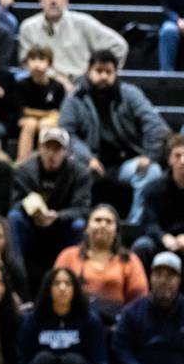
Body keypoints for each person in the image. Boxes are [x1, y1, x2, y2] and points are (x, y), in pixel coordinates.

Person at [59, 50, 170, 221]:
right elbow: (66, 133)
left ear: (116, 73)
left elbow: (155, 125)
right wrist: (87, 158)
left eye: (108, 72)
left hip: (127, 162)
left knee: (152, 171)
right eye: (99, 71)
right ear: (88, 71)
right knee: (71, 167)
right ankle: (83, 225)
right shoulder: (75, 98)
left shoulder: (130, 94)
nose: (103, 76)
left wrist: (149, 155)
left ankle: (134, 226)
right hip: (91, 162)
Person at [9, 127, 91, 285]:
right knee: (14, 218)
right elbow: (15, 203)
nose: (51, 154)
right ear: (40, 149)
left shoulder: (79, 173)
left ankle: (73, 282)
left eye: (57, 149)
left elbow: (83, 209)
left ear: (66, 152)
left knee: (79, 225)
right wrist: (33, 212)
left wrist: (57, 216)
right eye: (47, 148)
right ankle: (17, 279)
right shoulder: (25, 170)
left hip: (61, 226)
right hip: (32, 225)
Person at [18, 0, 128, 80]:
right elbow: (25, 63)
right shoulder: (28, 27)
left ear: (66, 0)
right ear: (40, 0)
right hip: (44, 83)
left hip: (82, 83)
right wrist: (57, 79)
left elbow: (119, 46)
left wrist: (98, 73)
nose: (53, 0)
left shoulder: (83, 22)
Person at [54, 204, 148, 323]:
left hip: (116, 325)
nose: (103, 225)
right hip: (74, 322)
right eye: (98, 220)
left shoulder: (130, 260)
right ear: (87, 227)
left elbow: (139, 300)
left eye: (109, 222)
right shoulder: (68, 256)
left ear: (116, 231)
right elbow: (54, 291)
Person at [17, 267, 108, 364]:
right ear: (48, 289)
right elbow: (23, 361)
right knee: (44, 358)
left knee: (72, 360)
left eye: (68, 283)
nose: (62, 288)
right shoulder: (32, 321)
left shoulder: (90, 321)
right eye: (56, 283)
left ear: (75, 289)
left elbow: (99, 362)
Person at [112, 251, 184, 364]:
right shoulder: (132, 312)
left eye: (170, 276)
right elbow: (121, 349)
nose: (163, 281)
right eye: (158, 275)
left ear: (179, 280)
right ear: (150, 278)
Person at [131, 134, 184, 272]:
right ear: (169, 159)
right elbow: (149, 223)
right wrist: (164, 237)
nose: (183, 160)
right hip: (161, 241)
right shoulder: (154, 188)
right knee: (142, 246)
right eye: (177, 155)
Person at [15, 45, 68, 163]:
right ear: (27, 63)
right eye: (33, 59)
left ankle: (43, 162)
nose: (36, 64)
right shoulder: (21, 85)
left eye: (41, 59)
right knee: (30, 123)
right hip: (28, 120)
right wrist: (46, 113)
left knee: (45, 124)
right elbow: (23, 110)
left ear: (50, 64)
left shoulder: (58, 86)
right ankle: (22, 162)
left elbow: (60, 112)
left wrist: (48, 116)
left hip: (49, 121)